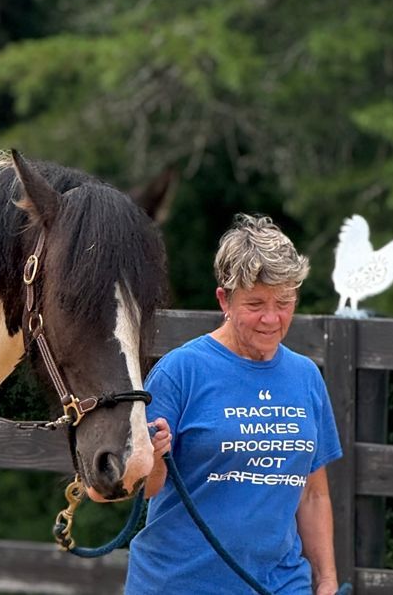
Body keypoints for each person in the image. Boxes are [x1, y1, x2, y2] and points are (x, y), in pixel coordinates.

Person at [126, 214, 343, 594]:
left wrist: (325, 581)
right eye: (255, 303)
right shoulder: (180, 371)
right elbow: (143, 488)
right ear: (224, 299)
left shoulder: (306, 376)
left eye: (284, 302)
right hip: (181, 583)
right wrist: (155, 456)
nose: (272, 318)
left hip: (281, 583)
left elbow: (313, 492)